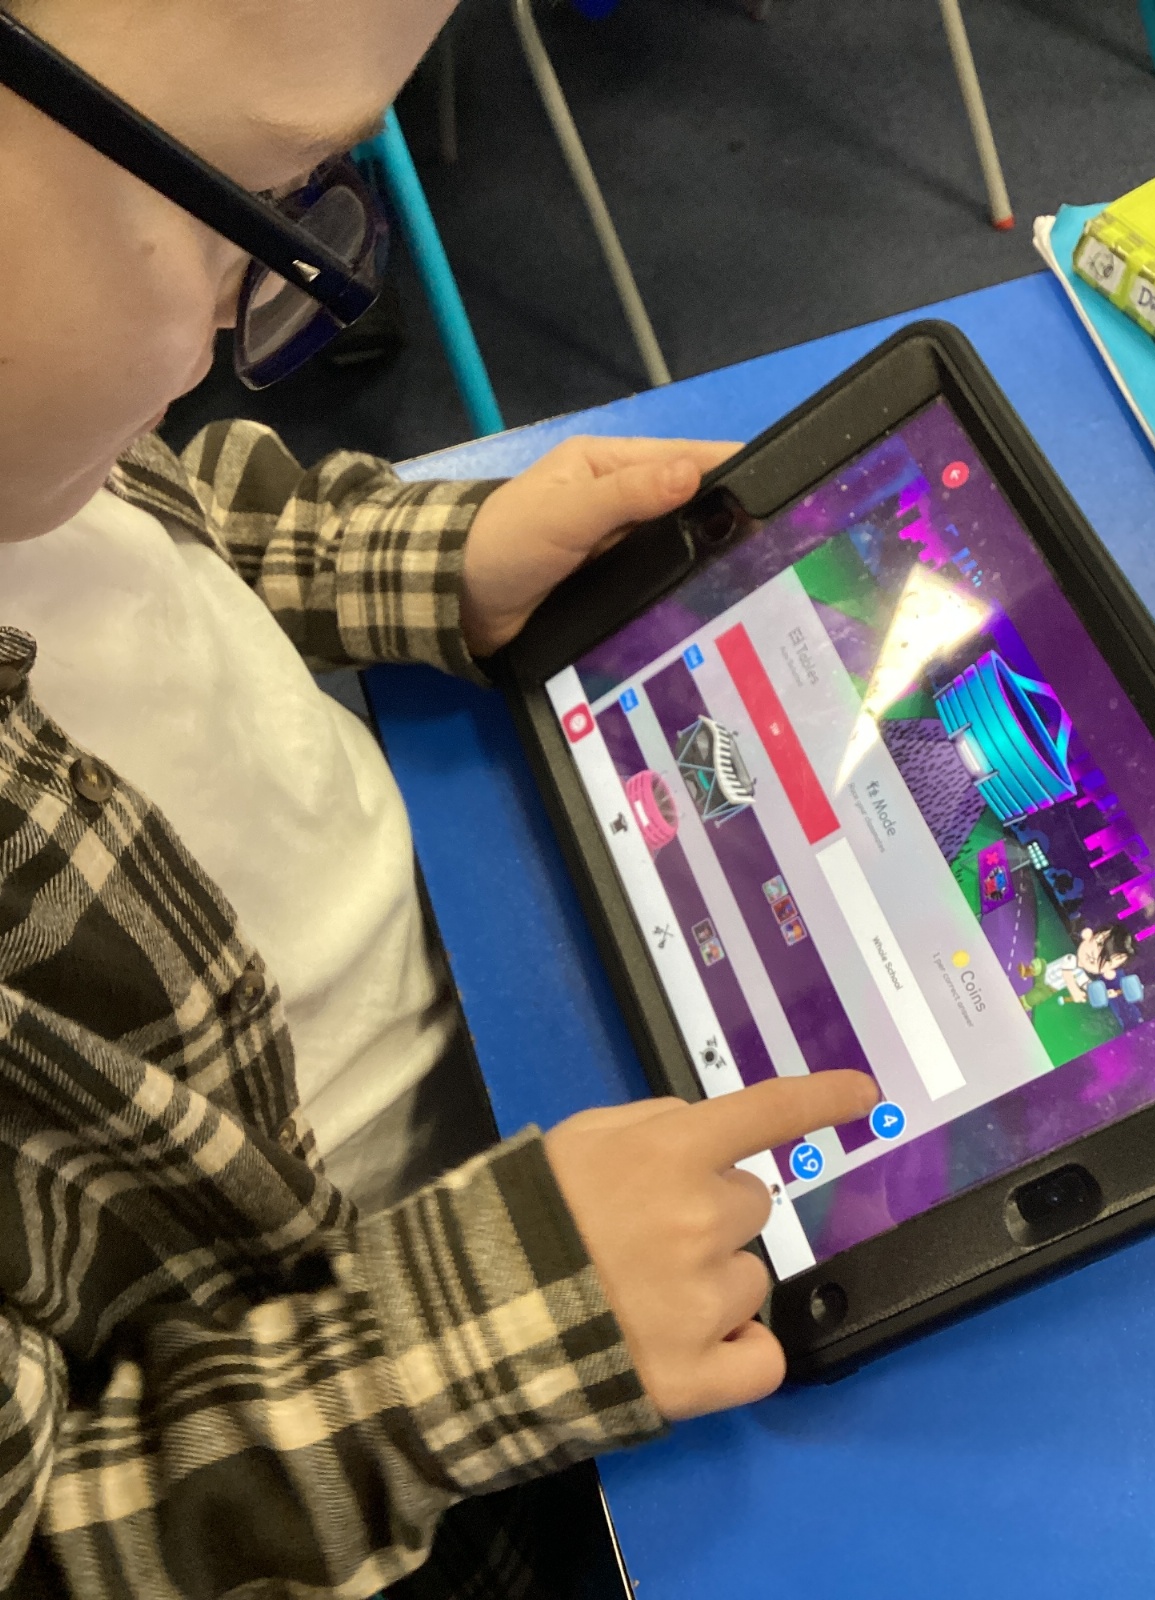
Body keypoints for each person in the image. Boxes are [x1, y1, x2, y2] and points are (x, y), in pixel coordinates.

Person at [0, 3, 878, 1596]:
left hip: (503, 1005)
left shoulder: (29, 444)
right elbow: (57, 1550)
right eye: (248, 205)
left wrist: (414, 556)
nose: (251, 324)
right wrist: (468, 1344)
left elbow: (144, 516)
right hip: (404, 1414)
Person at [1019, 924, 1136, 1011]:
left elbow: (1088, 986)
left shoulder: (1083, 976)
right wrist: (1075, 991)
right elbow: (1067, 975)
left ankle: (1023, 1003)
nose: (1095, 954)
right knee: (1039, 965)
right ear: (1088, 935)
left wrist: (1105, 993)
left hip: (1048, 988)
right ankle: (1028, 971)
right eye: (1099, 943)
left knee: (1035, 997)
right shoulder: (1071, 959)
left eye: (1108, 961)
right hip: (1044, 971)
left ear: (1109, 972)